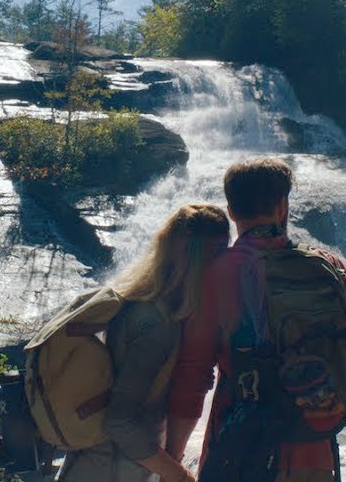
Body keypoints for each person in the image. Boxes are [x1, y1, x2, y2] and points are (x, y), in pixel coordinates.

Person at [165, 157, 346, 482]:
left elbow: (193, 379)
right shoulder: (326, 264)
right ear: (283, 206)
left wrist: (172, 461)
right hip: (314, 446)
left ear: (232, 212)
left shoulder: (217, 274)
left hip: (239, 448)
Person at [57, 203, 231, 482]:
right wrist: (180, 476)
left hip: (98, 463)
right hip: (110, 469)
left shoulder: (139, 302)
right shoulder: (155, 325)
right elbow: (120, 422)